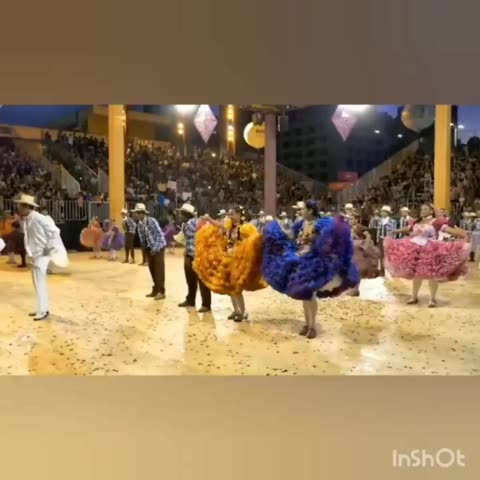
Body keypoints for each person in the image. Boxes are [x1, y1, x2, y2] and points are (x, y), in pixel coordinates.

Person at [262, 200, 359, 339]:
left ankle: (312, 326)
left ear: (310, 210)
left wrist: (310, 244)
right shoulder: (301, 223)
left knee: (310, 294)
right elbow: (292, 236)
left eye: (303, 209)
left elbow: (320, 243)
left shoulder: (320, 224)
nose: (301, 212)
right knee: (304, 294)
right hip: (300, 260)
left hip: (313, 262)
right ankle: (307, 324)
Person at [385, 203, 469, 307]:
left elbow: (449, 229)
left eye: (425, 209)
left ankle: (432, 299)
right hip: (415, 249)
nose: (422, 211)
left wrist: (462, 233)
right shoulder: (417, 221)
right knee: (417, 274)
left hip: (430, 250)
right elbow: (408, 228)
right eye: (422, 209)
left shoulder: (435, 222)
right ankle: (414, 297)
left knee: (432, 275)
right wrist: (395, 231)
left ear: (431, 211)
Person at [194, 205, 266, 321]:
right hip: (228, 260)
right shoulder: (230, 227)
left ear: (239, 214)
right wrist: (209, 219)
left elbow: (254, 241)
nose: (230, 216)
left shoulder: (244, 228)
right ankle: (236, 310)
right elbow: (219, 225)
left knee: (236, 288)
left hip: (238, 262)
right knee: (230, 288)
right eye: (229, 214)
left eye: (232, 214)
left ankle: (243, 312)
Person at [14, 194, 69, 321]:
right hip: (36, 254)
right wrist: (30, 253)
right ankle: (42, 308)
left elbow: (55, 231)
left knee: (39, 282)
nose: (18, 207)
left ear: (26, 206)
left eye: (19, 205)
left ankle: (43, 310)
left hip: (41, 254)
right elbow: (28, 237)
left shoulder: (39, 218)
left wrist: (48, 249)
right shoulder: (28, 219)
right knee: (38, 282)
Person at [177, 203, 211, 313]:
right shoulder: (186, 224)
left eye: (181, 214)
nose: (179, 216)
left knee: (202, 281)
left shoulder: (195, 223)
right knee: (190, 279)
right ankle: (191, 300)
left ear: (186, 214)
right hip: (190, 254)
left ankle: (205, 304)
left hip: (198, 256)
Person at [134, 203, 166, 300]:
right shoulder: (139, 224)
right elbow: (142, 239)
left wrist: (155, 249)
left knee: (159, 270)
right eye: (136, 213)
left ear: (143, 213)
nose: (137, 214)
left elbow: (160, 235)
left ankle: (161, 292)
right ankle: (155, 289)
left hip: (158, 247)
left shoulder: (152, 221)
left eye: (138, 212)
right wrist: (145, 253)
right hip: (149, 248)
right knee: (152, 269)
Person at [349, 214, 379, 296]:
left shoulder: (362, 242)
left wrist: (368, 237)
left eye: (355, 229)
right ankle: (355, 290)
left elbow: (367, 249)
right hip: (358, 260)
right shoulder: (359, 240)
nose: (353, 229)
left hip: (361, 262)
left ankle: (355, 290)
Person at [376, 205, 396, 276]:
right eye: (382, 212)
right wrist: (377, 238)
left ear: (387, 213)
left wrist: (392, 240)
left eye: (383, 212)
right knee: (381, 255)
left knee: (387, 255)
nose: (382, 213)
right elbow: (378, 230)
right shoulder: (379, 220)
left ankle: (388, 270)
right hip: (381, 239)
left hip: (388, 239)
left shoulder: (392, 221)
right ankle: (382, 270)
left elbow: (393, 231)